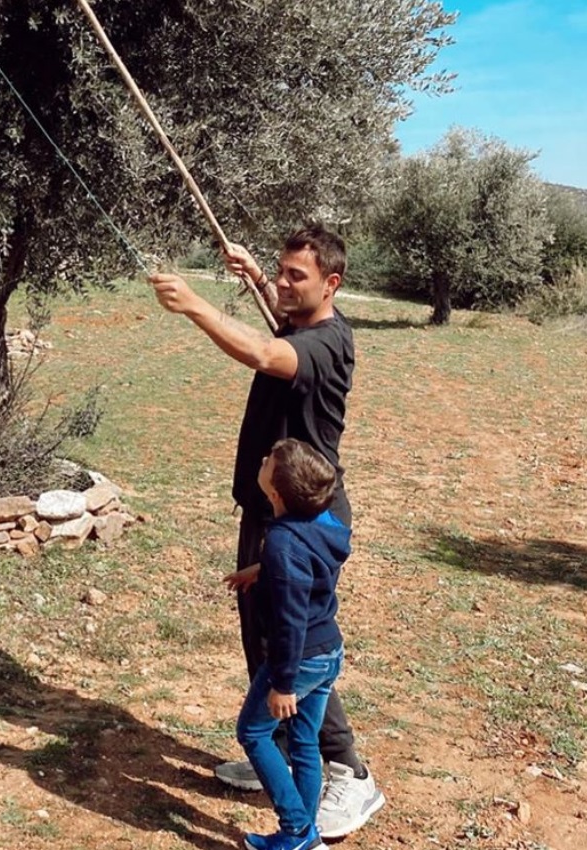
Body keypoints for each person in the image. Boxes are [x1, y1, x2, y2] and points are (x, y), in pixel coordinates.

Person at [149, 225, 384, 839]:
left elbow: (263, 354)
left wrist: (195, 305)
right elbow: (280, 330)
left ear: (331, 284)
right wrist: (256, 277)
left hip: (302, 524)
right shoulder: (302, 324)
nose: (282, 283)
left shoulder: (326, 343)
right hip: (272, 514)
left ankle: (350, 774)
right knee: (262, 639)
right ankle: (278, 747)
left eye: (294, 277)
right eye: (279, 272)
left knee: (296, 649)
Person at [236, 438, 348, 850]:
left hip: (298, 660)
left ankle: (298, 831)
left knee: (253, 732)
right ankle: (308, 830)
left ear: (275, 491)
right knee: (303, 740)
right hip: (328, 651)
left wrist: (283, 684)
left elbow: (289, 623)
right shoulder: (324, 523)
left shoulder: (283, 544)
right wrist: (263, 571)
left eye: (269, 461)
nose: (263, 459)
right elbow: (309, 565)